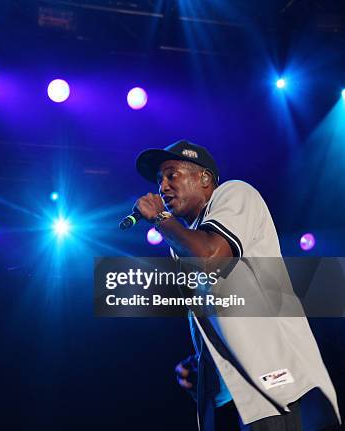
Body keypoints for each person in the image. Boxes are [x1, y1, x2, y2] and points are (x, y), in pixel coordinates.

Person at [134, 140, 341, 430]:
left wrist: (161, 217)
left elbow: (212, 257)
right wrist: (204, 359)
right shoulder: (183, 239)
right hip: (228, 397)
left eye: (171, 175)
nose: (163, 188)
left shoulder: (235, 193)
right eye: (159, 181)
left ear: (204, 178)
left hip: (273, 383)